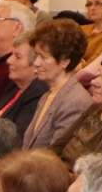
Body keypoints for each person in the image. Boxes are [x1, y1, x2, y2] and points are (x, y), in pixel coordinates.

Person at [20, 18, 90, 150]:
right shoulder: (47, 95)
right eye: (37, 55)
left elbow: (57, 155)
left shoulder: (75, 102)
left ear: (65, 62)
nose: (36, 62)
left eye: (44, 57)